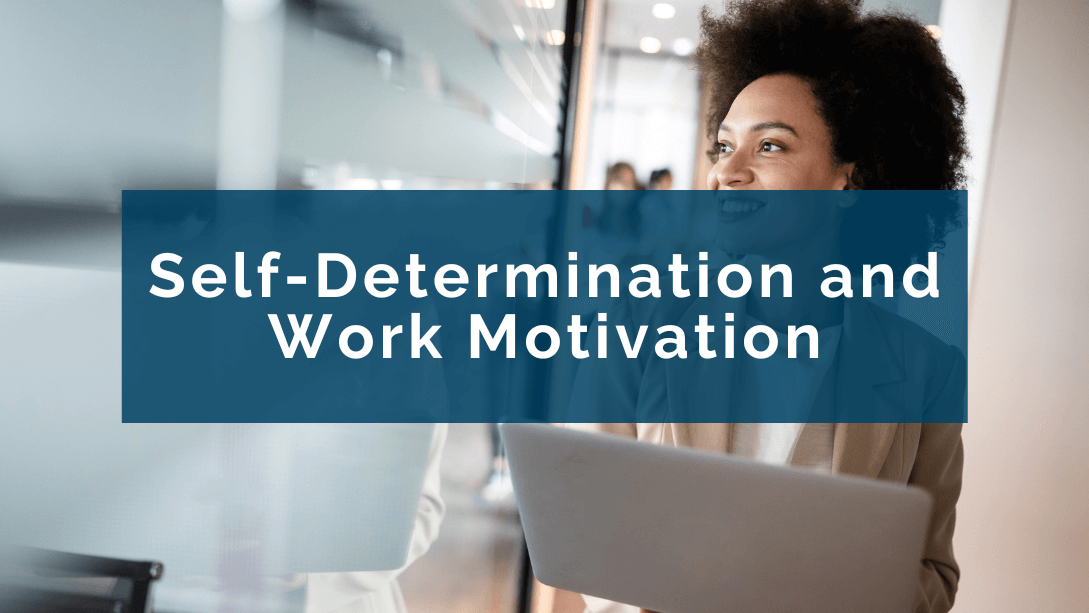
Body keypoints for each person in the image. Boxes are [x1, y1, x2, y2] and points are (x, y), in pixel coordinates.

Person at [569, 1, 967, 612]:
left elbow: (933, 579)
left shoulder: (927, 371)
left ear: (850, 180)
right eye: (723, 145)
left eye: (771, 147)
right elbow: (588, 530)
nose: (727, 171)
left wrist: (810, 584)